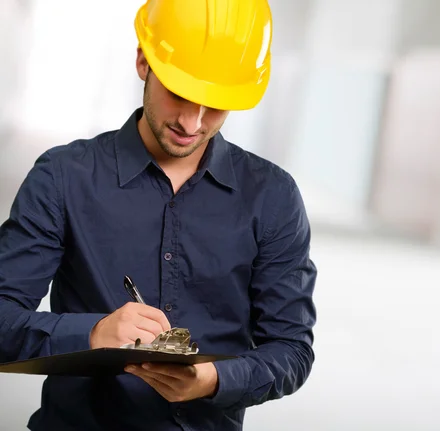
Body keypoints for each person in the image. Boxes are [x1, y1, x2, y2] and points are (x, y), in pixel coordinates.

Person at [0, 0, 317, 430]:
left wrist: (213, 380)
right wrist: (92, 335)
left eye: (215, 105)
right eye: (179, 94)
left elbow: (291, 349)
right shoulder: (62, 178)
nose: (193, 121)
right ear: (143, 61)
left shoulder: (273, 197)